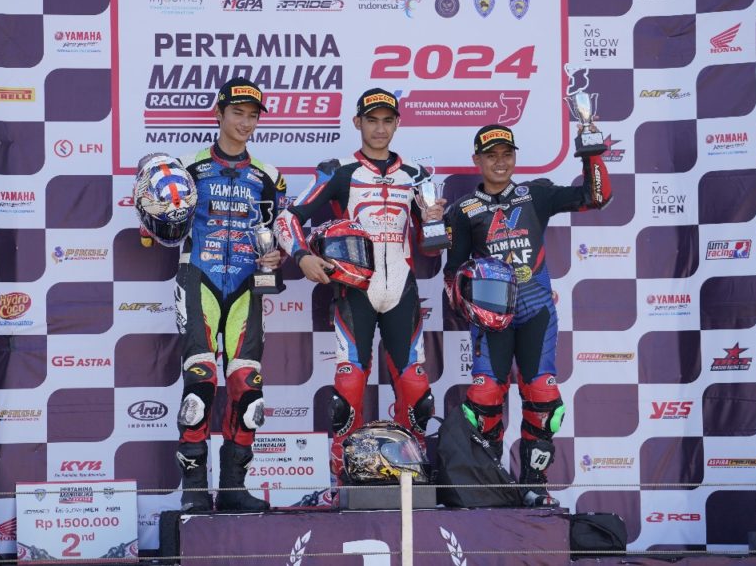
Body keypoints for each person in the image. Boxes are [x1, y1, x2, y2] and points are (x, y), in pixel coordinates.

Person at [273, 88, 446, 476]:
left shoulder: (416, 176)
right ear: (357, 123)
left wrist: (435, 223)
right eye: (372, 120)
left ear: (397, 123)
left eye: (387, 121)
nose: (380, 129)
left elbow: (430, 248)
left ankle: (410, 472)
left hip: (401, 289)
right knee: (348, 388)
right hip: (355, 292)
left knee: (417, 391)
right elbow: (287, 219)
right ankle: (344, 475)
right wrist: (302, 256)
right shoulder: (340, 172)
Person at [443, 124, 612, 507]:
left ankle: (534, 485)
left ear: (515, 157)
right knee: (485, 396)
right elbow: (453, 273)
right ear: (477, 160)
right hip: (491, 320)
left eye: (507, 154)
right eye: (491, 156)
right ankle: (489, 481)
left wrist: (591, 153)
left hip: (536, 311)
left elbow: (597, 196)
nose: (500, 162)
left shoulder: (535, 194)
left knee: (543, 397)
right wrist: (467, 301)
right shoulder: (464, 210)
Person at [149, 77, 286, 512]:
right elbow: (154, 226)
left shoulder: (269, 176)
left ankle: (232, 489)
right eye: (237, 113)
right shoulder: (186, 169)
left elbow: (278, 234)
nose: (245, 122)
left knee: (248, 388)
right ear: (219, 113)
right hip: (199, 279)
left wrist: (276, 255)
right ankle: (193, 489)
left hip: (247, 285)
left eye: (252, 116)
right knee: (200, 382)